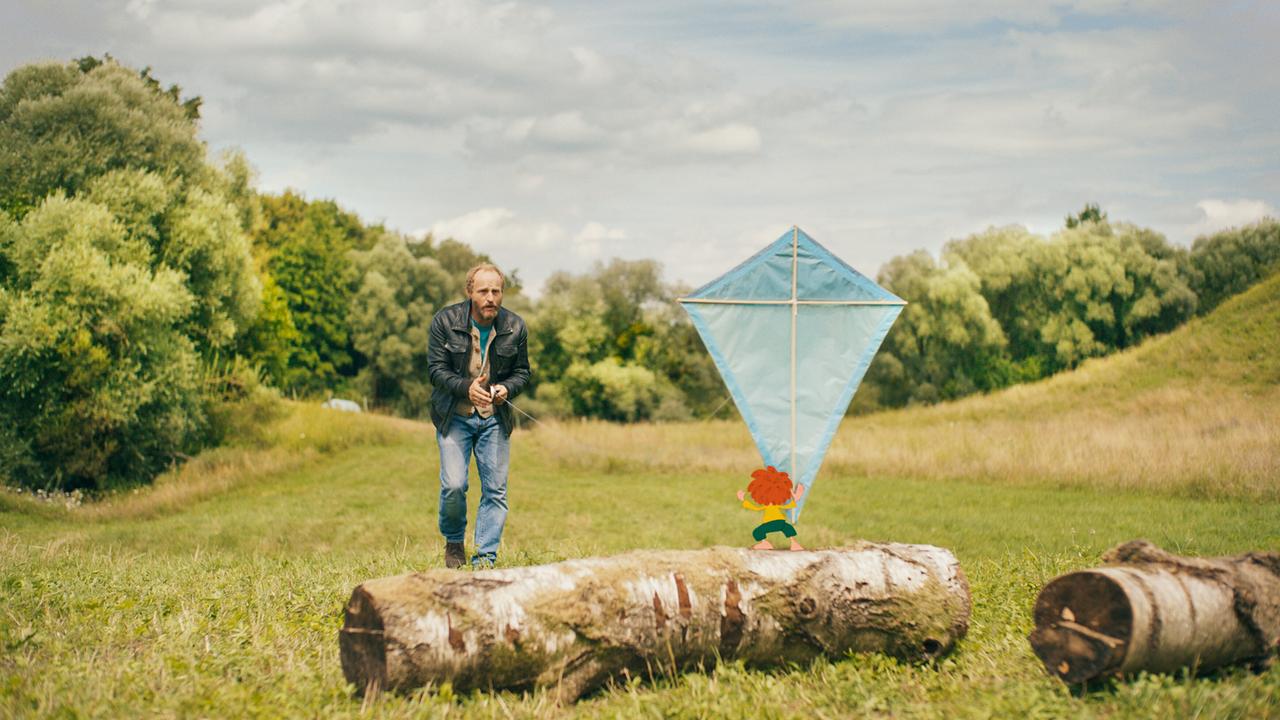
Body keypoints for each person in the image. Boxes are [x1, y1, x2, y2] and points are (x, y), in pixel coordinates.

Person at [427, 263, 530, 568]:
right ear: (469, 291)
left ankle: (485, 559)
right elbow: (436, 371)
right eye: (483, 291)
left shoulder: (516, 326)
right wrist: (465, 388)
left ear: (502, 294)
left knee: (496, 491)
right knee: (454, 485)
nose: (490, 297)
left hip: (494, 419)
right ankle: (454, 541)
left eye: (496, 291)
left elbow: (522, 372)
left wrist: (505, 390)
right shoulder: (445, 321)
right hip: (453, 415)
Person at [737, 466, 805, 550]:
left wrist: (743, 500)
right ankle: (794, 543)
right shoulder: (777, 505)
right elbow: (789, 505)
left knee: (758, 531)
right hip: (780, 522)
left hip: (768, 524)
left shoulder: (768, 506)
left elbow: (755, 508)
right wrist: (796, 498)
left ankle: (765, 543)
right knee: (788, 528)